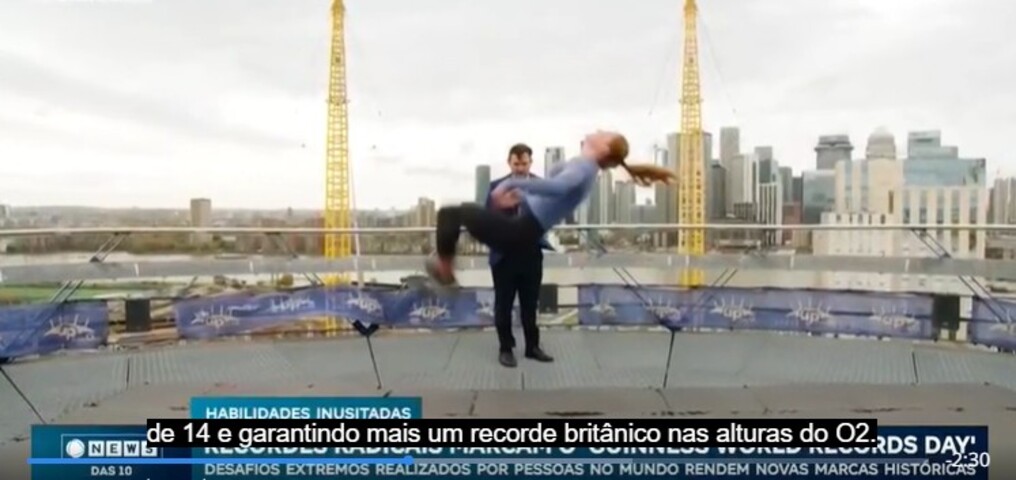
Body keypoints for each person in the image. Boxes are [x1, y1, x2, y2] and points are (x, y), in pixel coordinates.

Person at [425, 130, 676, 289]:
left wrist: (511, 183)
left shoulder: (584, 168)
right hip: (526, 229)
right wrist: (521, 196)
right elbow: (554, 198)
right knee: (456, 213)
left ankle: (445, 270)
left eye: (603, 134)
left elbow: (556, 188)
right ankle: (445, 268)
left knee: (450, 213)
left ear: (604, 149)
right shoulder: (585, 167)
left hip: (521, 230)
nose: (597, 131)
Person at [485, 143, 555, 367]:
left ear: (530, 162)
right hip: (504, 257)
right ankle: (506, 349)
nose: (520, 168)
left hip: (531, 254)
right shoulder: (496, 187)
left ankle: (532, 347)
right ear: (509, 163)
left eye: (524, 163)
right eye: (516, 164)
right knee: (503, 305)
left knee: (529, 304)